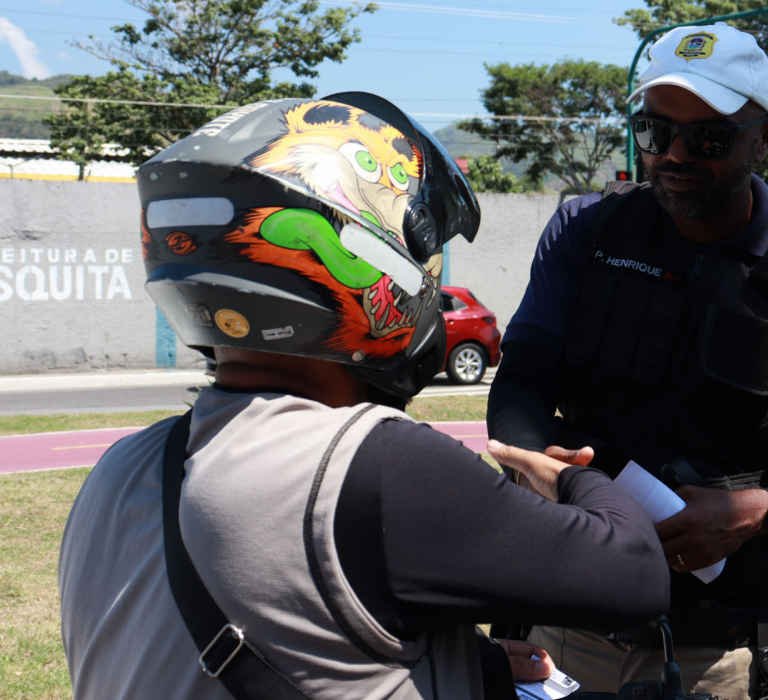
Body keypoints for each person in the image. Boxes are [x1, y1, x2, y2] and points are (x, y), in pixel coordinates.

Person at [58, 93, 671, 700]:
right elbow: (636, 575)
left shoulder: (122, 467)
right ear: (367, 258)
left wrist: (465, 667)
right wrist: (569, 477)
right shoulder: (373, 465)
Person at [487, 23, 768, 700]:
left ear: (763, 138)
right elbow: (523, 380)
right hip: (562, 635)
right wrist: (540, 466)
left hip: (721, 658)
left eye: (709, 138)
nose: (675, 155)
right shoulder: (585, 230)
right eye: (656, 132)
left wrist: (761, 510)